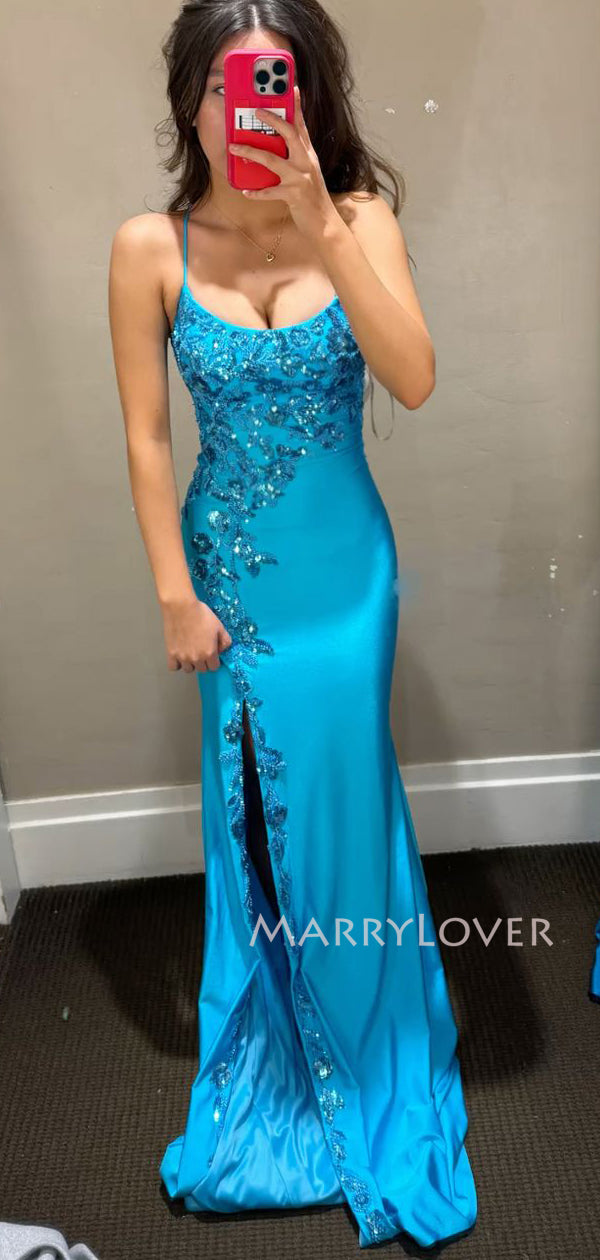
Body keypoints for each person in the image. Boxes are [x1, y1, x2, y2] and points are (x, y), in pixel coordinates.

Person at [108, 3, 478, 1250]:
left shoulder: (360, 218)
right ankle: (276, 1029)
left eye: (277, 85)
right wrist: (174, 590)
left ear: (309, 98)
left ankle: (369, 1035)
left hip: (346, 582)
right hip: (230, 577)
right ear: (191, 99)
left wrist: (322, 219)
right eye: (228, 87)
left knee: (343, 802)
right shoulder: (150, 248)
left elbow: (414, 377)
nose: (249, 112)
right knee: (250, 816)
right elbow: (147, 439)